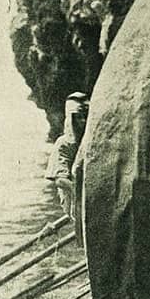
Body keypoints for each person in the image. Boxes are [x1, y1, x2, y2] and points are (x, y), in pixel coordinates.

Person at [46, 92, 89, 223]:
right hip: (75, 201)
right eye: (79, 117)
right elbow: (60, 180)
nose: (83, 121)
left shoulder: (90, 140)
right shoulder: (63, 144)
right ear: (71, 119)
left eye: (86, 116)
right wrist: (82, 193)